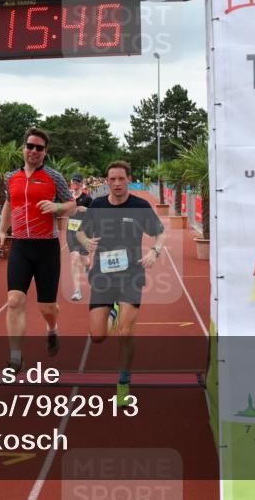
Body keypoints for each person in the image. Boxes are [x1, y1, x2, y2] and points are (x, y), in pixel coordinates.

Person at [76, 160, 166, 407]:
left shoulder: (140, 206)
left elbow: (161, 233)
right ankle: (112, 311)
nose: (116, 183)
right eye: (112, 179)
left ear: (128, 179)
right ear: (107, 181)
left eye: (121, 179)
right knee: (97, 336)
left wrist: (154, 252)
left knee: (126, 333)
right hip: (103, 276)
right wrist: (86, 243)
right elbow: (80, 232)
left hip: (131, 275)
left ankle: (123, 382)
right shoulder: (97, 205)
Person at [0, 128, 75, 371]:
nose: (34, 151)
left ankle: (52, 328)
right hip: (20, 245)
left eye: (39, 148)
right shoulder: (11, 177)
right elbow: (9, 203)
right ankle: (16, 357)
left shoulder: (54, 177)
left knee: (46, 307)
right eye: (30, 146)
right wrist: (1, 230)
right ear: (24, 147)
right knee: (14, 300)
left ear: (45, 152)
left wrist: (56, 206)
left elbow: (72, 206)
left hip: (46, 248)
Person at [65, 174, 94, 301]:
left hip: (84, 232)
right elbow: (63, 210)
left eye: (77, 181)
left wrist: (86, 210)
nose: (75, 183)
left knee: (85, 260)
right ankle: (77, 291)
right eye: (73, 181)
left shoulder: (87, 198)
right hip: (71, 230)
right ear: (71, 183)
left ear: (82, 183)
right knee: (74, 258)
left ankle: (88, 266)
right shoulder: (68, 198)